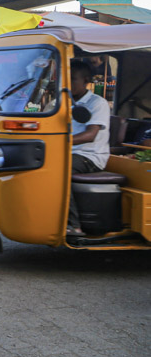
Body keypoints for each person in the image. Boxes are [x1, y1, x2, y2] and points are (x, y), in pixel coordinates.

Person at [67, 59, 111, 237]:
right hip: (69, 152)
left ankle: (73, 224)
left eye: (73, 79)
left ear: (86, 80)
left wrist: (61, 141)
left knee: (59, 170)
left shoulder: (97, 103)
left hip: (90, 157)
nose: (68, 84)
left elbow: (90, 135)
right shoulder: (64, 102)